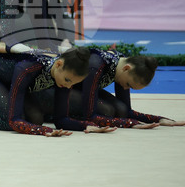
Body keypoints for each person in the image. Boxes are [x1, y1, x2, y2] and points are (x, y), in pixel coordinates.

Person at [0, 46, 100, 136]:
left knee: (34, 119)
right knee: (11, 121)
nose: (68, 87)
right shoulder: (29, 67)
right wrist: (43, 131)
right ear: (59, 64)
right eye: (67, 80)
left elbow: (61, 119)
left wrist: (86, 126)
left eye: (73, 84)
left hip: (8, 81)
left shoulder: (62, 76)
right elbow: (15, 120)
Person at [41, 49, 182, 130]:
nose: (125, 88)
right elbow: (89, 115)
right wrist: (131, 124)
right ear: (127, 68)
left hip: (79, 91)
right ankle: (51, 114)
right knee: (107, 110)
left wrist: (159, 119)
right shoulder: (96, 66)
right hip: (56, 89)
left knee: (120, 109)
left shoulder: (120, 66)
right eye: (128, 84)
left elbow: (127, 110)